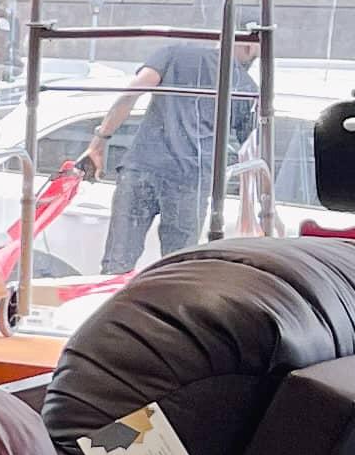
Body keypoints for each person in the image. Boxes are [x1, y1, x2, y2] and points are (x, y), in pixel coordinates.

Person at [82, 33, 253, 275]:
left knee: (116, 263)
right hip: (190, 179)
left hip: (142, 167)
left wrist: (99, 142)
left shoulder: (174, 53)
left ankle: (113, 297)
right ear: (249, 45)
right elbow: (251, 152)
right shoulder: (246, 87)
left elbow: (132, 92)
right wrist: (255, 206)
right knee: (177, 270)